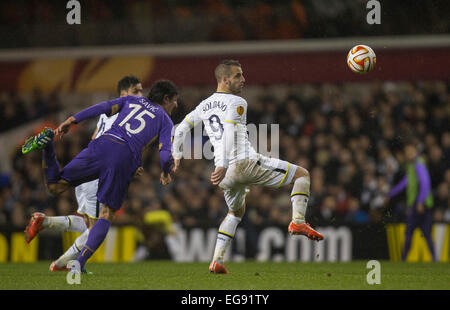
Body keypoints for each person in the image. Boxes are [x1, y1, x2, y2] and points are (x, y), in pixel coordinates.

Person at [172, 60, 323, 274]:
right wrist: (223, 164)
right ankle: (298, 221)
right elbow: (230, 134)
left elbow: (181, 129)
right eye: (238, 76)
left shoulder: (204, 105)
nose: (243, 79)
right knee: (302, 175)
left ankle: (217, 260)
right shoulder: (237, 102)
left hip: (225, 176)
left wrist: (177, 155)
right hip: (242, 163)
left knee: (235, 212)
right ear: (224, 80)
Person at [21, 79, 178, 272]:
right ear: (166, 98)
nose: (176, 105)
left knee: (55, 186)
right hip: (122, 157)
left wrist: (72, 120)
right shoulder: (165, 120)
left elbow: (100, 108)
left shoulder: (130, 101)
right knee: (105, 216)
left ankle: (48, 147)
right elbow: (164, 153)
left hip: (101, 145)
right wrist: (165, 171)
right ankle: (78, 264)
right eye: (175, 100)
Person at [385, 141, 436, 261]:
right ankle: (434, 259)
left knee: (410, 234)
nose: (408, 154)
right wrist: (390, 194)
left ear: (415, 152)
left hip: (420, 205)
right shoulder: (412, 165)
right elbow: (404, 183)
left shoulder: (418, 164)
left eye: (410, 152)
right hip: (419, 204)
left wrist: (420, 202)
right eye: (407, 152)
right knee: (424, 234)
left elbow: (425, 184)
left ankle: (404, 259)